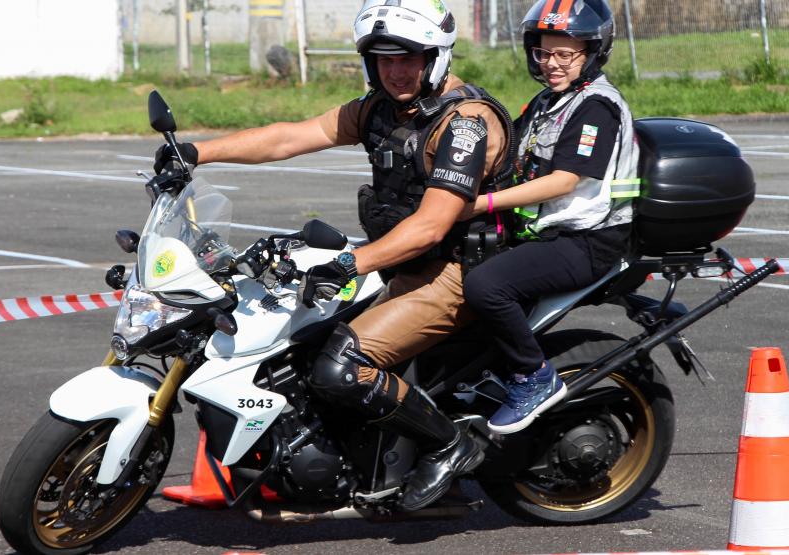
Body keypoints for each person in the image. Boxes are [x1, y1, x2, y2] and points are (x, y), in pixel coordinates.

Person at [153, 0, 512, 510]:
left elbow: (431, 226)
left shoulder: (465, 125)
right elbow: (292, 137)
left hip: (453, 270)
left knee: (340, 367)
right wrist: (196, 153)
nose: (395, 70)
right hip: (397, 261)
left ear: (436, 57)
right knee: (291, 338)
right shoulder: (380, 108)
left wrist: (350, 263)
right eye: (383, 59)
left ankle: (450, 447)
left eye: (408, 58)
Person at [460, 0, 640, 435]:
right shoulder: (549, 100)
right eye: (544, 52)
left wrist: (481, 205)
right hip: (546, 233)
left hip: (588, 240)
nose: (552, 63)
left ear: (593, 53)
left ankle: (534, 376)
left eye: (565, 54)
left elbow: (564, 181)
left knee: (487, 286)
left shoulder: (596, 106)